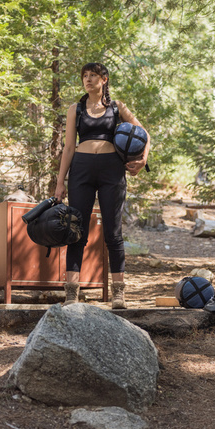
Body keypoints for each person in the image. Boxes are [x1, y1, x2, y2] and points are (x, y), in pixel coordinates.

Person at [54, 62, 150, 309]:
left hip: (112, 170)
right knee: (77, 231)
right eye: (84, 75)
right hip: (81, 171)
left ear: (104, 79)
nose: (88, 79)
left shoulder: (117, 107)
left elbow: (144, 133)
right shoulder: (75, 109)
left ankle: (119, 294)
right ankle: (72, 294)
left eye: (93, 75)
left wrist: (143, 160)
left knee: (113, 232)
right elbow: (67, 148)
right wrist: (59, 182)